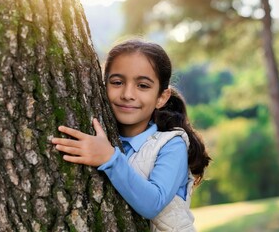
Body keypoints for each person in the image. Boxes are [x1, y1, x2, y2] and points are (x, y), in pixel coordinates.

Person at [51, 39, 210, 231]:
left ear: (161, 97)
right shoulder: (104, 139)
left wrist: (110, 159)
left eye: (142, 86)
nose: (127, 94)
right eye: (117, 82)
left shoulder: (171, 145)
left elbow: (153, 204)